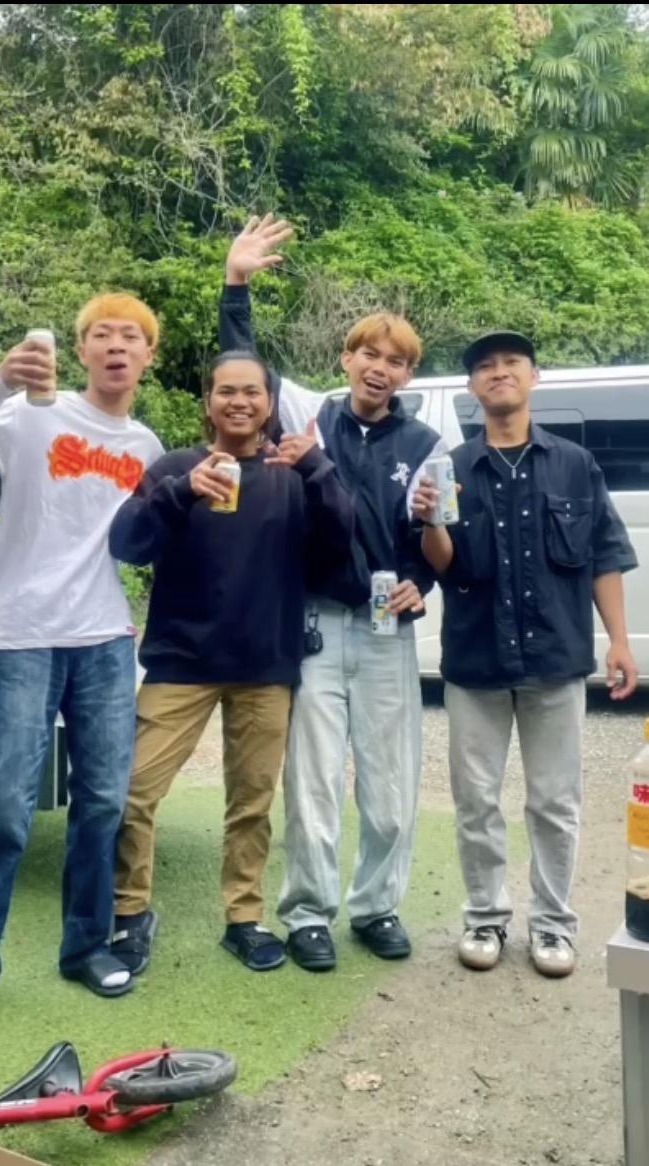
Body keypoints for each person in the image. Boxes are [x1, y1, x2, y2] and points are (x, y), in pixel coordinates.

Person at [0, 294, 164, 1023]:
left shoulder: (147, 448)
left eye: (131, 336)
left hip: (105, 640)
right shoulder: (29, 414)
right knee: (2, 804)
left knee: (102, 802)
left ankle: (86, 947)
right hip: (20, 632)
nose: (116, 345)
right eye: (101, 335)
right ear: (80, 351)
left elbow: (156, 540)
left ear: (148, 356)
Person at [219, 217, 446, 972]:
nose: (380, 368)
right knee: (312, 782)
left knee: (390, 788)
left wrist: (422, 582)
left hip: (385, 630)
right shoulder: (309, 414)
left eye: (396, 360)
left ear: (408, 375)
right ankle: (309, 913)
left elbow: (430, 539)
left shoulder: (425, 445)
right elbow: (244, 367)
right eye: (368, 354)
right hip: (315, 622)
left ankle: (376, 907)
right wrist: (237, 283)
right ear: (346, 358)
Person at [108, 350, 354, 973]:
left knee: (251, 803)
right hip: (180, 662)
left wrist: (319, 467)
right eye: (226, 391)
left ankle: (244, 918)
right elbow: (127, 542)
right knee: (132, 792)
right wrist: (180, 492)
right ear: (208, 402)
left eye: (251, 392)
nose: (239, 402)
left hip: (265, 665)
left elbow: (340, 544)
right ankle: (130, 912)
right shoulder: (176, 467)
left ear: (270, 404)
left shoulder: (293, 473)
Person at [412, 330, 638, 978]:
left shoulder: (574, 464)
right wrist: (430, 521)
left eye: (511, 362)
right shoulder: (450, 467)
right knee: (476, 802)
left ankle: (553, 925)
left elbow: (603, 556)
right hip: (475, 663)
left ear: (533, 377)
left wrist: (619, 642)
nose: (499, 372)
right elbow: (442, 564)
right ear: (471, 388)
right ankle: (484, 917)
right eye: (484, 366)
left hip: (555, 660)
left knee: (554, 803)